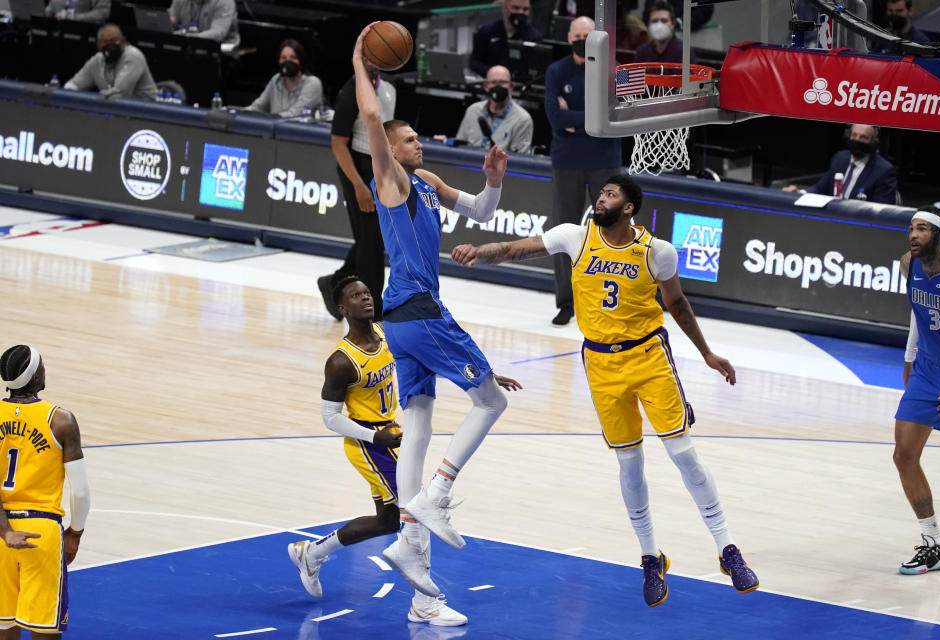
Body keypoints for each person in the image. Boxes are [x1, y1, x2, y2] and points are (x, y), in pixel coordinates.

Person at [450, 175, 760, 607]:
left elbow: (679, 305)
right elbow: (515, 249)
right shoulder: (574, 237)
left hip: (649, 357)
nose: (601, 199)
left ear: (629, 207)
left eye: (611, 195)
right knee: (630, 464)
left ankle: (728, 549)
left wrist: (706, 353)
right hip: (600, 363)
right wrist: (477, 253)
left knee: (683, 454)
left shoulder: (658, 252)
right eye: (600, 194)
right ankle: (651, 557)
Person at [352, 21, 521, 596]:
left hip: (404, 322)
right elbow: (372, 121)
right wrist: (360, 62)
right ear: (390, 150)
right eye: (409, 141)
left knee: (419, 423)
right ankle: (436, 499)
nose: (416, 145)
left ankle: (411, 545)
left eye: (419, 140)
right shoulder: (390, 182)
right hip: (419, 309)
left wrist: (493, 181)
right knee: (490, 400)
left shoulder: (423, 179)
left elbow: (480, 210)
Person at [286, 277, 467, 626]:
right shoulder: (341, 361)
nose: (365, 298)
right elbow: (329, 418)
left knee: (388, 521)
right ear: (343, 308)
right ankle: (425, 604)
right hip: (367, 443)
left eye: (367, 292)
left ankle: (311, 553)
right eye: (355, 296)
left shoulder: (386, 332)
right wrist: (374, 438)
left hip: (389, 434)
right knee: (416, 512)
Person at [0, 344, 91, 638]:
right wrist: (75, 533)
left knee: (4, 628)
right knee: (44, 631)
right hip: (41, 532)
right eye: (42, 367)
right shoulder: (61, 420)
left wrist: (6, 532)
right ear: (35, 376)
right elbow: (80, 492)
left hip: (1, 531)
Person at [544, 16, 621, 326]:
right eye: (577, 36)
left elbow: (613, 114)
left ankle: (612, 299)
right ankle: (566, 302)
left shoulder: (612, 72)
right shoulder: (556, 71)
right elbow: (554, 117)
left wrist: (576, 121)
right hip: (568, 162)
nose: (582, 41)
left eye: (587, 36)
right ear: (568, 37)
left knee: (613, 231)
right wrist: (591, 122)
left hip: (606, 159)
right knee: (563, 231)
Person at [893, 209, 940, 575]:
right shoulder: (908, 265)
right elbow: (918, 310)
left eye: (922, 229)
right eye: (911, 228)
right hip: (930, 368)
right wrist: (910, 356)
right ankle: (936, 544)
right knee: (904, 454)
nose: (913, 235)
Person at [316, 58, 397, 323]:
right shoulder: (350, 94)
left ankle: (335, 282)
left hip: (380, 168)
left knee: (374, 238)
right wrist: (359, 186)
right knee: (371, 244)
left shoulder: (389, 90)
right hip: (357, 169)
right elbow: (339, 144)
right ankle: (373, 314)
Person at [782, 124, 897, 204]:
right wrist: (800, 193)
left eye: (863, 138)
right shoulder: (840, 158)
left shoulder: (884, 171)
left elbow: (881, 209)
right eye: (854, 135)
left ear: (873, 142)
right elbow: (821, 188)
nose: (857, 140)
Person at [64, 24, 158, 101]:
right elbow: (73, 85)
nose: (110, 45)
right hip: (116, 111)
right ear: (98, 45)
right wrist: (66, 92)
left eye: (114, 40)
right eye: (105, 42)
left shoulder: (133, 56)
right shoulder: (97, 60)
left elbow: (118, 93)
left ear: (123, 41)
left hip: (145, 111)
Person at [455, 66, 533, 154]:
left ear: (511, 86)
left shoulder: (522, 119)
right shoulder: (473, 111)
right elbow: (459, 146)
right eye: (493, 82)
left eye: (502, 82)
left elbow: (520, 160)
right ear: (486, 86)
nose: (498, 86)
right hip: (469, 165)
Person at [246, 40, 324, 119]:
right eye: (283, 58)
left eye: (293, 57)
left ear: (301, 61)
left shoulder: (312, 83)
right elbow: (258, 106)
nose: (287, 61)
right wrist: (240, 113)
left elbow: (296, 112)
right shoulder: (276, 80)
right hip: (275, 129)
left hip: (301, 130)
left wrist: (272, 118)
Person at [469, 0, 543, 77]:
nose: (521, 12)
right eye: (515, 8)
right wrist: (494, 73)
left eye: (525, 9)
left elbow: (536, 72)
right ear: (504, 8)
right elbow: (475, 62)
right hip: (489, 82)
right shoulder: (487, 31)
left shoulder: (534, 38)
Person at [168, 0, 240, 47]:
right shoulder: (180, 1)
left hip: (224, 47)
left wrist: (187, 36)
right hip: (190, 45)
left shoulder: (224, 2)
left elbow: (218, 34)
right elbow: (170, 21)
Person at [44, 0, 109, 23]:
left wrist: (74, 17)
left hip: (83, 38)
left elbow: (102, 13)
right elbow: (50, 9)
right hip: (54, 37)